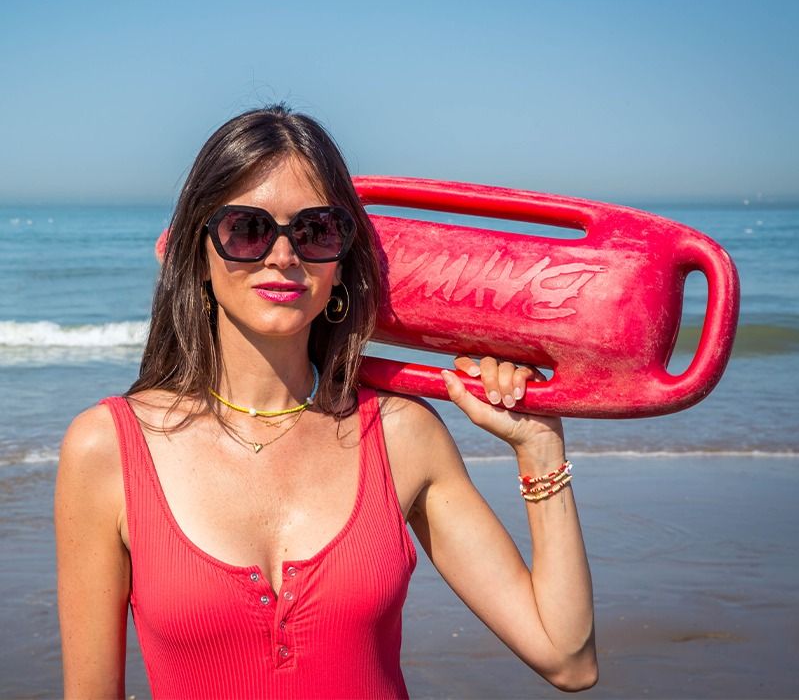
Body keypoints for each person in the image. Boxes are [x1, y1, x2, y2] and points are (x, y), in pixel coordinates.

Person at [55, 106, 597, 699]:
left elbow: (566, 657)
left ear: (341, 263)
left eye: (315, 231)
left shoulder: (401, 436)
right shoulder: (107, 447)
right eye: (247, 228)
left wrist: (539, 447)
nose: (283, 256)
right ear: (197, 254)